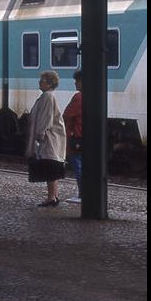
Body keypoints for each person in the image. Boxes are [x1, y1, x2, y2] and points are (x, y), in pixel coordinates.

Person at [26, 70, 67, 206]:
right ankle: (54, 196)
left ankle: (51, 197)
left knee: (50, 166)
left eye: (42, 80)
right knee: (52, 166)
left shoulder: (47, 97)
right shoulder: (48, 96)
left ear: (49, 84)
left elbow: (45, 118)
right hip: (52, 137)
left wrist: (39, 135)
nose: (39, 82)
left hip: (49, 138)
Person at [63, 70, 84, 204]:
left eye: (77, 81)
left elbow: (67, 114)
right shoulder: (93, 95)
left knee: (78, 165)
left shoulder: (79, 97)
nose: (75, 83)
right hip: (87, 136)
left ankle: (83, 193)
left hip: (77, 135)